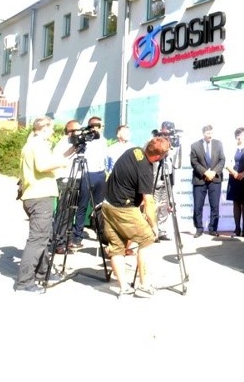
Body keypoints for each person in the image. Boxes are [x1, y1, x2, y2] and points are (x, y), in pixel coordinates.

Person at [100, 136, 171, 298]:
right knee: (147, 239)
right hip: (124, 209)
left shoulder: (134, 151)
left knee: (116, 247)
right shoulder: (146, 169)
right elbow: (149, 201)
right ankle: (144, 286)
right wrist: (154, 227)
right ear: (159, 157)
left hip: (108, 204)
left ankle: (124, 287)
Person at [15, 116, 74, 293]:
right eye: (51, 130)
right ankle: (24, 282)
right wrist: (63, 162)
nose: (52, 133)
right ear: (45, 129)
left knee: (43, 236)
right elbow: (42, 166)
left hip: (36, 195)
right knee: (38, 239)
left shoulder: (32, 143)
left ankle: (42, 272)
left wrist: (70, 151)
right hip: (39, 196)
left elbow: (46, 162)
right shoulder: (37, 145)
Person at [70, 116, 108, 249]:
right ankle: (77, 236)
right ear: (93, 126)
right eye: (100, 126)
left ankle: (102, 234)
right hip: (87, 173)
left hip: (100, 174)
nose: (102, 128)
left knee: (99, 207)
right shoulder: (86, 140)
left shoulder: (103, 140)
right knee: (83, 205)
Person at [189, 124, 226, 238]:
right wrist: (205, 172)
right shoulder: (195, 145)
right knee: (198, 206)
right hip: (200, 179)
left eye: (211, 133)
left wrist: (214, 172)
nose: (210, 135)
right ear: (203, 134)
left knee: (215, 206)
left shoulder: (218, 144)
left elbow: (222, 160)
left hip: (215, 179)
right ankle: (199, 228)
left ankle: (213, 228)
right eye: (208, 133)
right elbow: (194, 162)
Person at [52, 119, 81, 254]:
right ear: (70, 131)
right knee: (63, 212)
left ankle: (67, 238)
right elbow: (59, 159)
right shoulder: (63, 143)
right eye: (77, 131)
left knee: (71, 212)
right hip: (65, 179)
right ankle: (58, 241)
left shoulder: (75, 142)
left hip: (76, 178)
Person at [153, 121, 178, 241]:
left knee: (165, 205)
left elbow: (176, 163)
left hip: (168, 177)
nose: (167, 134)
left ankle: (162, 230)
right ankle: (153, 231)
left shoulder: (172, 144)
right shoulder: (154, 141)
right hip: (155, 178)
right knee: (154, 206)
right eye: (166, 132)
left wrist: (176, 146)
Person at [225, 127, 244, 238]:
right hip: (234, 177)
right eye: (237, 134)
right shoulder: (231, 148)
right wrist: (234, 173)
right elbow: (227, 164)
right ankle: (237, 229)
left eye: (241, 134)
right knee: (236, 203)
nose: (239, 136)